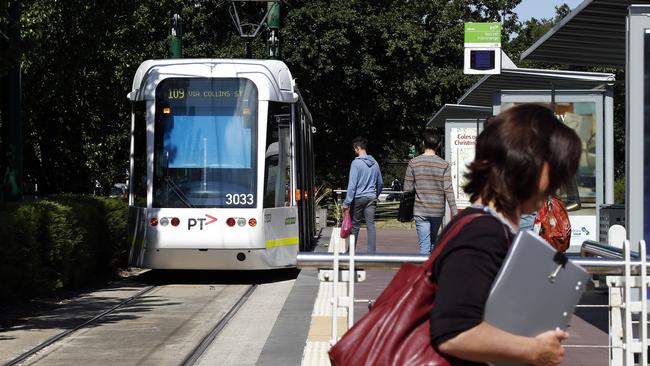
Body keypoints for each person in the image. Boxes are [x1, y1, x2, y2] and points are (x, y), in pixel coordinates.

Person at [430, 103, 582, 366]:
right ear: (525, 164)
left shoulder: (482, 226)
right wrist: (533, 350)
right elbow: (454, 332)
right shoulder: (483, 234)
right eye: (555, 168)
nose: (558, 181)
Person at [403, 129, 457, 254]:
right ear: (438, 144)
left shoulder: (413, 163)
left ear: (423, 143)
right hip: (437, 210)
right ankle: (432, 270)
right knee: (433, 243)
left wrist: (407, 211)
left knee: (424, 246)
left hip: (420, 210)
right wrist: (454, 211)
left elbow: (407, 189)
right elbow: (448, 189)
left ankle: (425, 271)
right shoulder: (444, 164)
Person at [343, 136, 383, 253]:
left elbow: (352, 185)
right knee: (370, 225)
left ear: (358, 148)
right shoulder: (375, 163)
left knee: (355, 226)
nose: (354, 151)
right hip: (371, 197)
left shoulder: (356, 163)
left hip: (359, 198)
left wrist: (347, 202)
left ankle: (351, 252)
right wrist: (376, 194)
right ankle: (371, 253)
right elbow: (380, 182)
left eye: (354, 149)